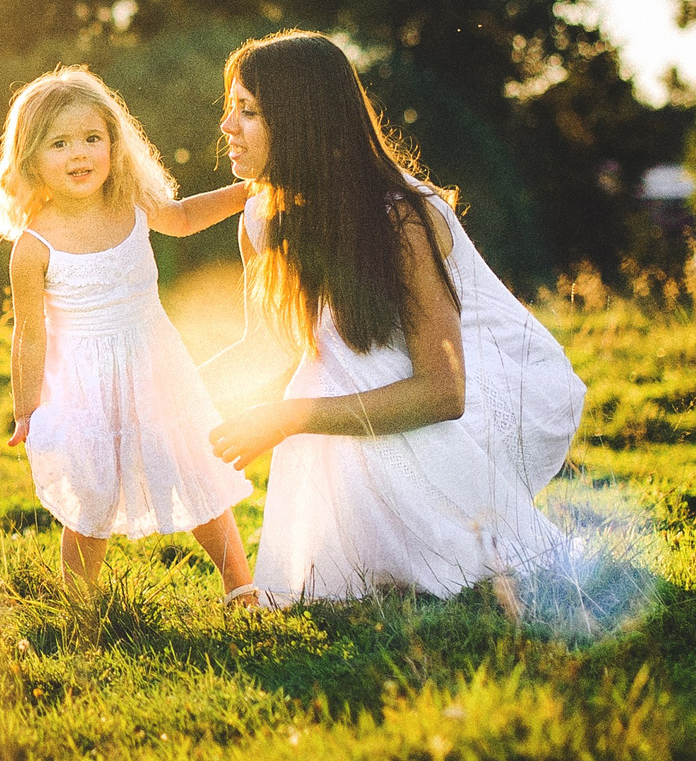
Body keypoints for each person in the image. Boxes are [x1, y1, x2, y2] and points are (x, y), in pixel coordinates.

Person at [206, 31, 586, 605]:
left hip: (489, 394)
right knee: (325, 367)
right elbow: (264, 349)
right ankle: (356, 577)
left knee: (329, 377)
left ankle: (445, 562)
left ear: (301, 120)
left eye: (248, 111)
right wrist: (159, 396)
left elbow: (444, 392)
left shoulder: (403, 219)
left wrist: (287, 418)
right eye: (230, 108)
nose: (227, 126)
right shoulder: (261, 218)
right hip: (392, 397)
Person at [0, 65, 260, 598]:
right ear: (30, 159)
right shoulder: (33, 246)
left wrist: (247, 191)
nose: (80, 154)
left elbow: (183, 218)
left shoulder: (131, 206)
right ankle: (79, 605)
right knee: (90, 499)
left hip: (156, 371)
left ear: (114, 144)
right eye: (60, 144)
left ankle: (240, 586)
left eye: (92, 138)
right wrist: (25, 409)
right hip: (85, 391)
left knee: (192, 471)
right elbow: (29, 335)